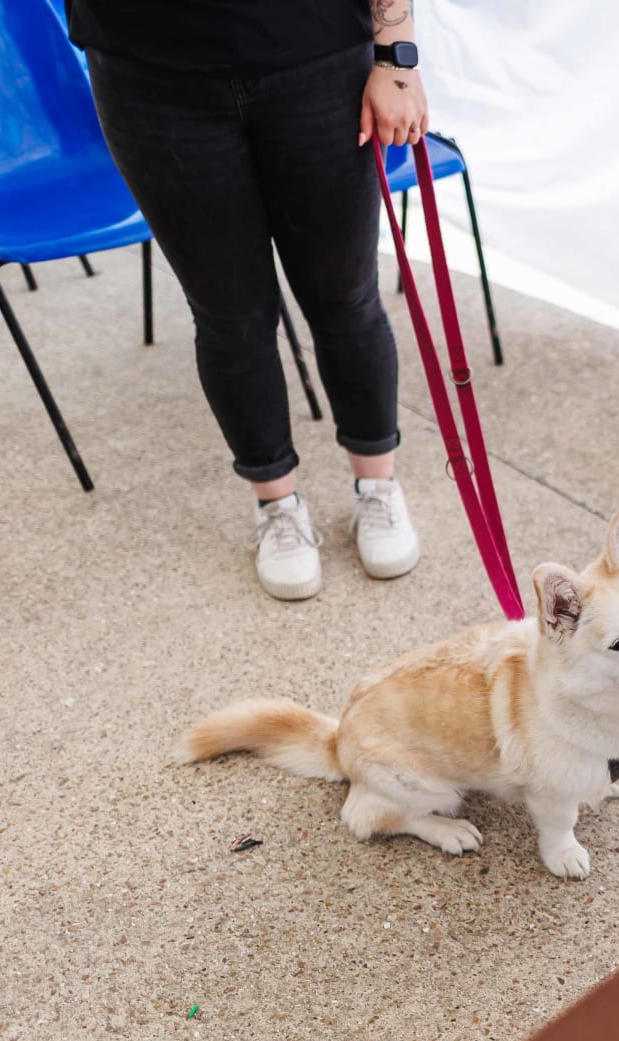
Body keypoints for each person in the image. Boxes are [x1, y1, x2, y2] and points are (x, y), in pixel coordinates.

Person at [70, 0, 431, 601]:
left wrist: (396, 56)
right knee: (229, 314)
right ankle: (277, 506)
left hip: (318, 54)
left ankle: (378, 489)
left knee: (344, 294)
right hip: (149, 70)